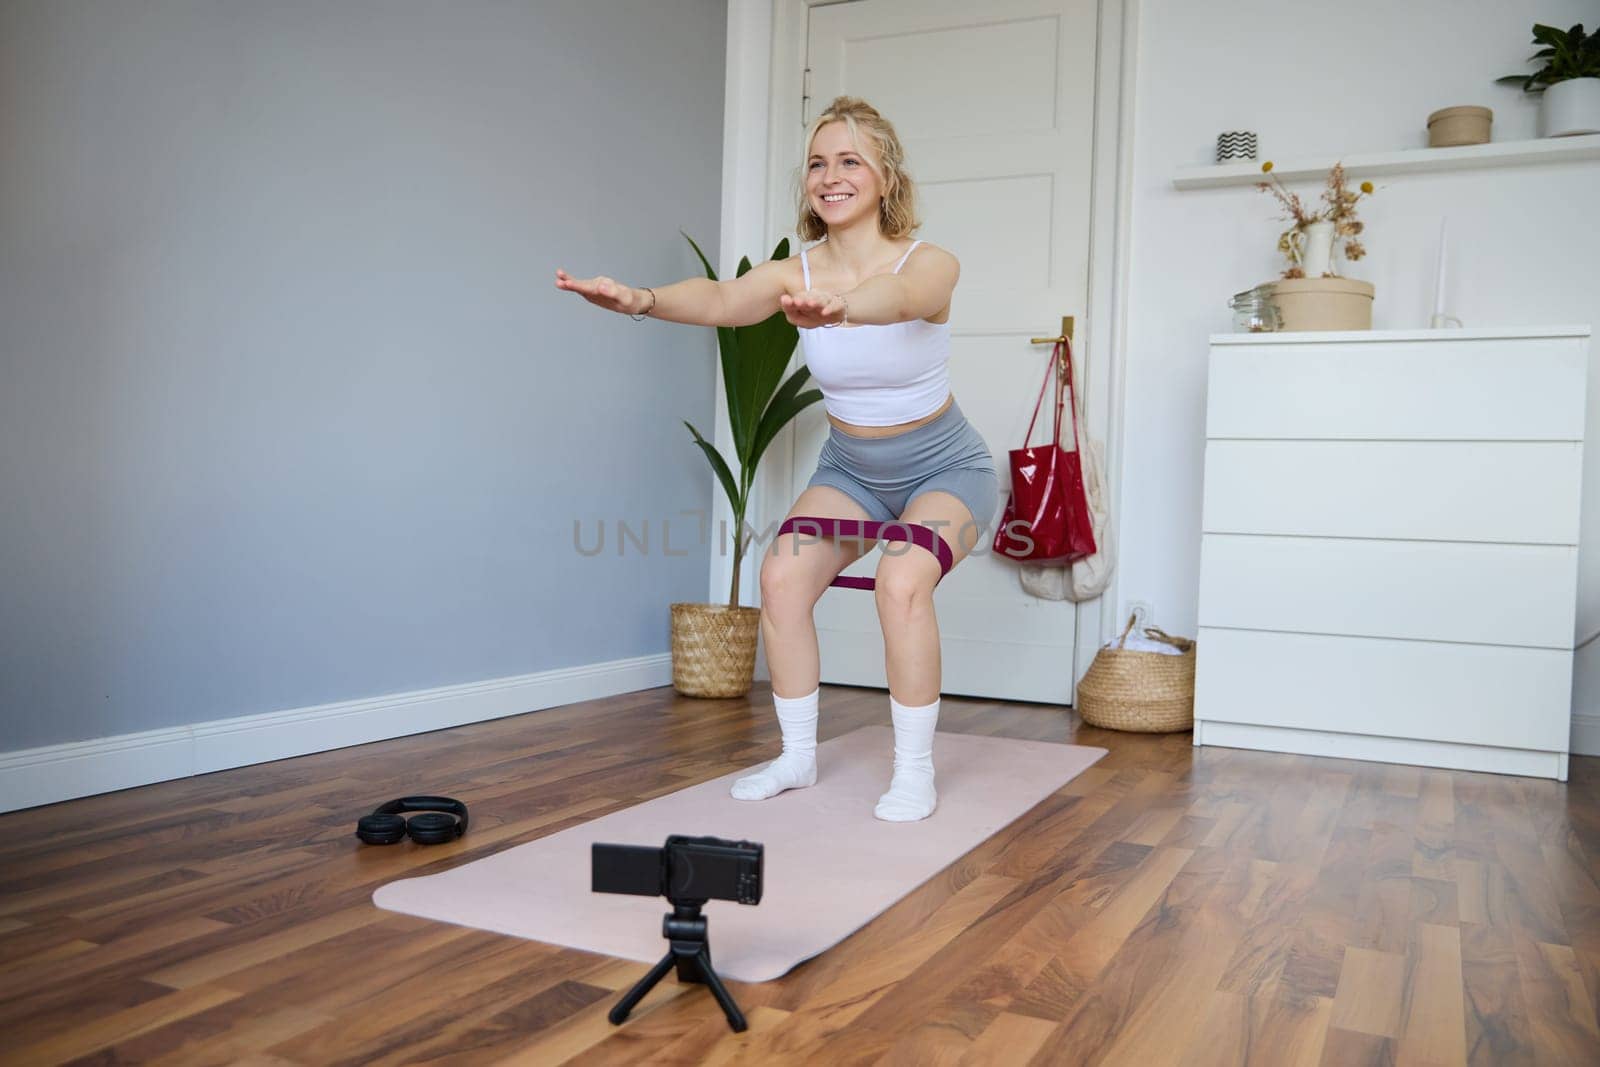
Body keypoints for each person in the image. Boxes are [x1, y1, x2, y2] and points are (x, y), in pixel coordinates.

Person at [555, 97, 998, 822]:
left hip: (945, 469)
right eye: (819, 163)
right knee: (783, 576)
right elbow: (725, 298)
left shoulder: (931, 263)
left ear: (886, 178)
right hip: (853, 471)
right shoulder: (797, 271)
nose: (831, 176)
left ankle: (913, 771)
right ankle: (796, 756)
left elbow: (902, 297)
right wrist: (639, 299)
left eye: (851, 160)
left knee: (901, 581)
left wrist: (846, 307)